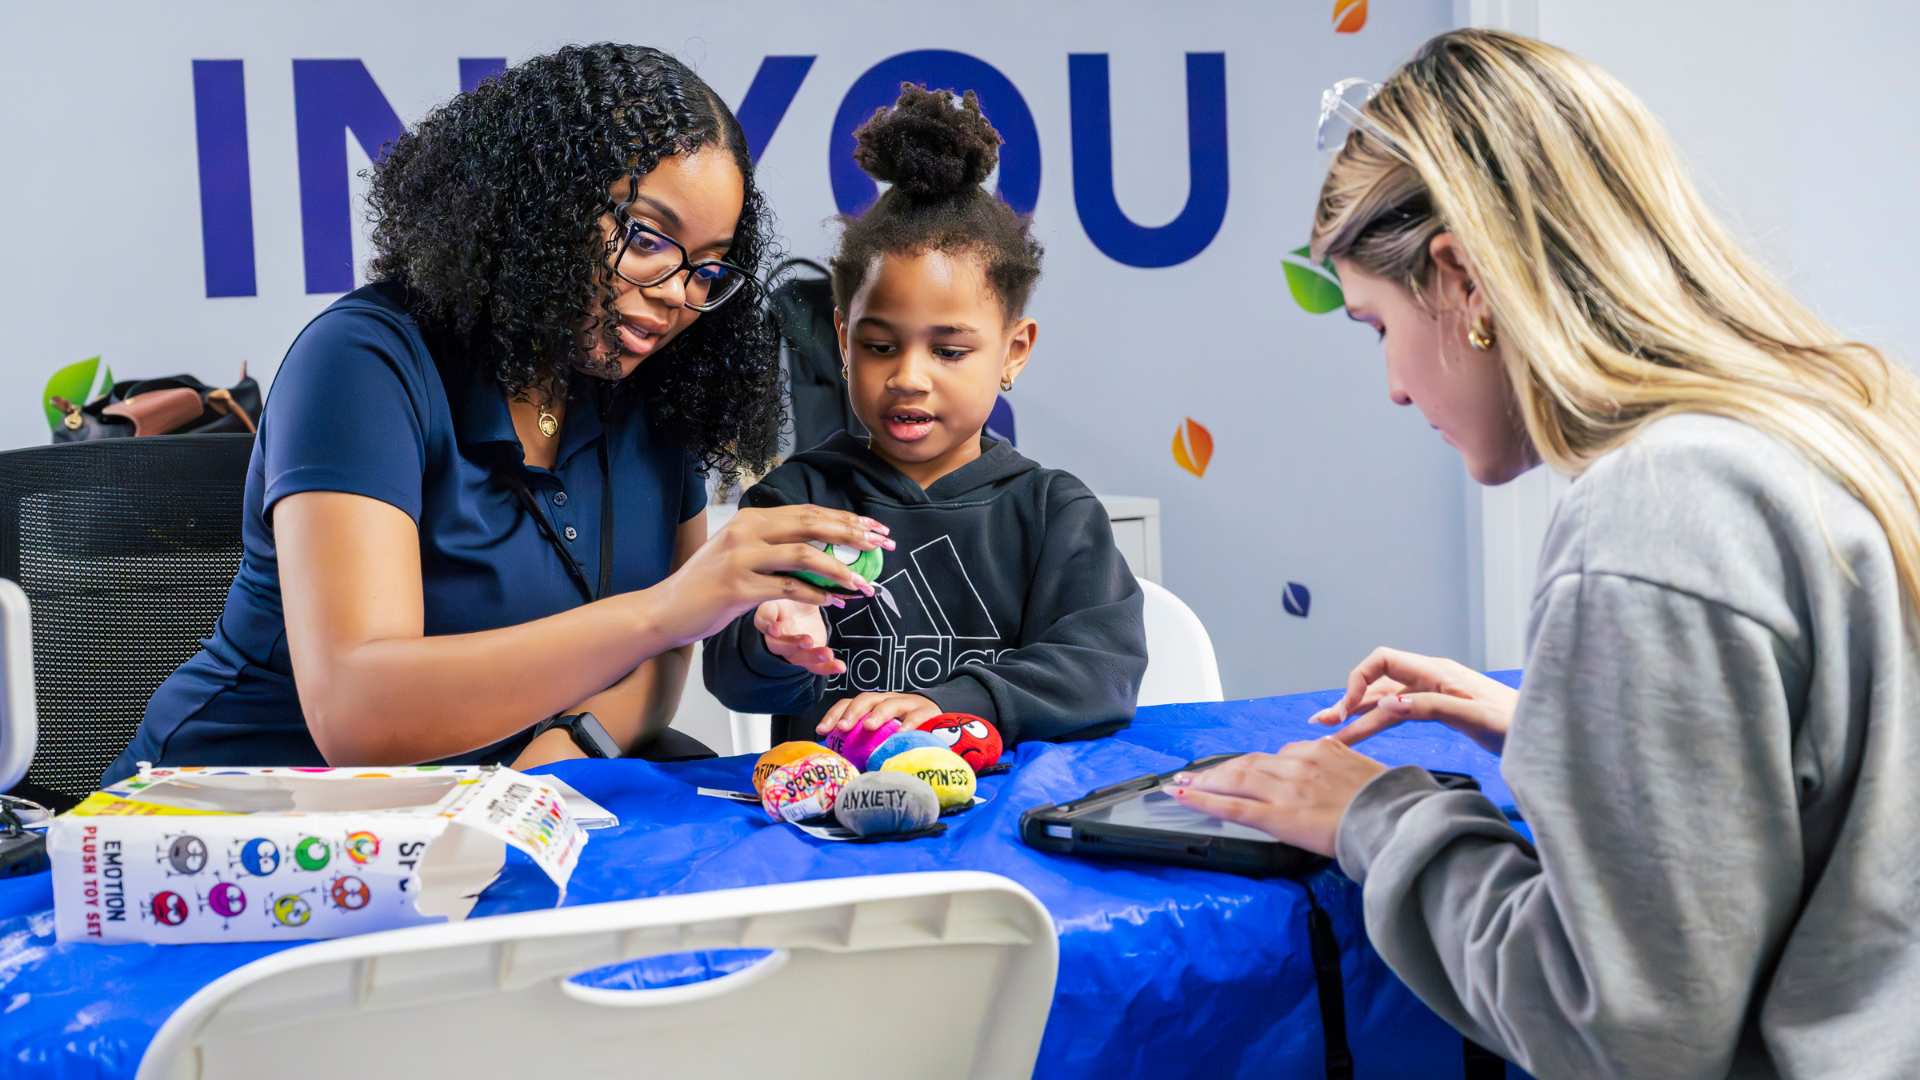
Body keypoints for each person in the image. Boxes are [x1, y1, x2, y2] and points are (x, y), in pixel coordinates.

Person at [1170, 29, 1920, 1079]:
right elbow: (1851, 808)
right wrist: (1564, 730)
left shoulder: (1654, 515)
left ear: (1464, 281)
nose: (1391, 384)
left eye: (1374, 325)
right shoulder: (1839, 431)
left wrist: (1376, 815)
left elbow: (1619, 1034)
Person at [106, 44, 890, 782]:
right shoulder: (363, 362)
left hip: (497, 818)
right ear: (543, 206)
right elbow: (358, 713)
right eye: (647, 237)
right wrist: (667, 610)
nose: (677, 292)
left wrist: (559, 758)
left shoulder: (657, 386)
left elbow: (660, 668)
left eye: (709, 267)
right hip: (238, 826)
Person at [703, 85, 1147, 746]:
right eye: (880, 346)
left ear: (1013, 351)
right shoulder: (796, 499)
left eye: (949, 350)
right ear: (842, 339)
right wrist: (773, 639)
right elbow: (731, 674)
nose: (909, 377)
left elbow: (1100, 675)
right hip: (832, 836)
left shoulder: (1054, 512)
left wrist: (953, 703)